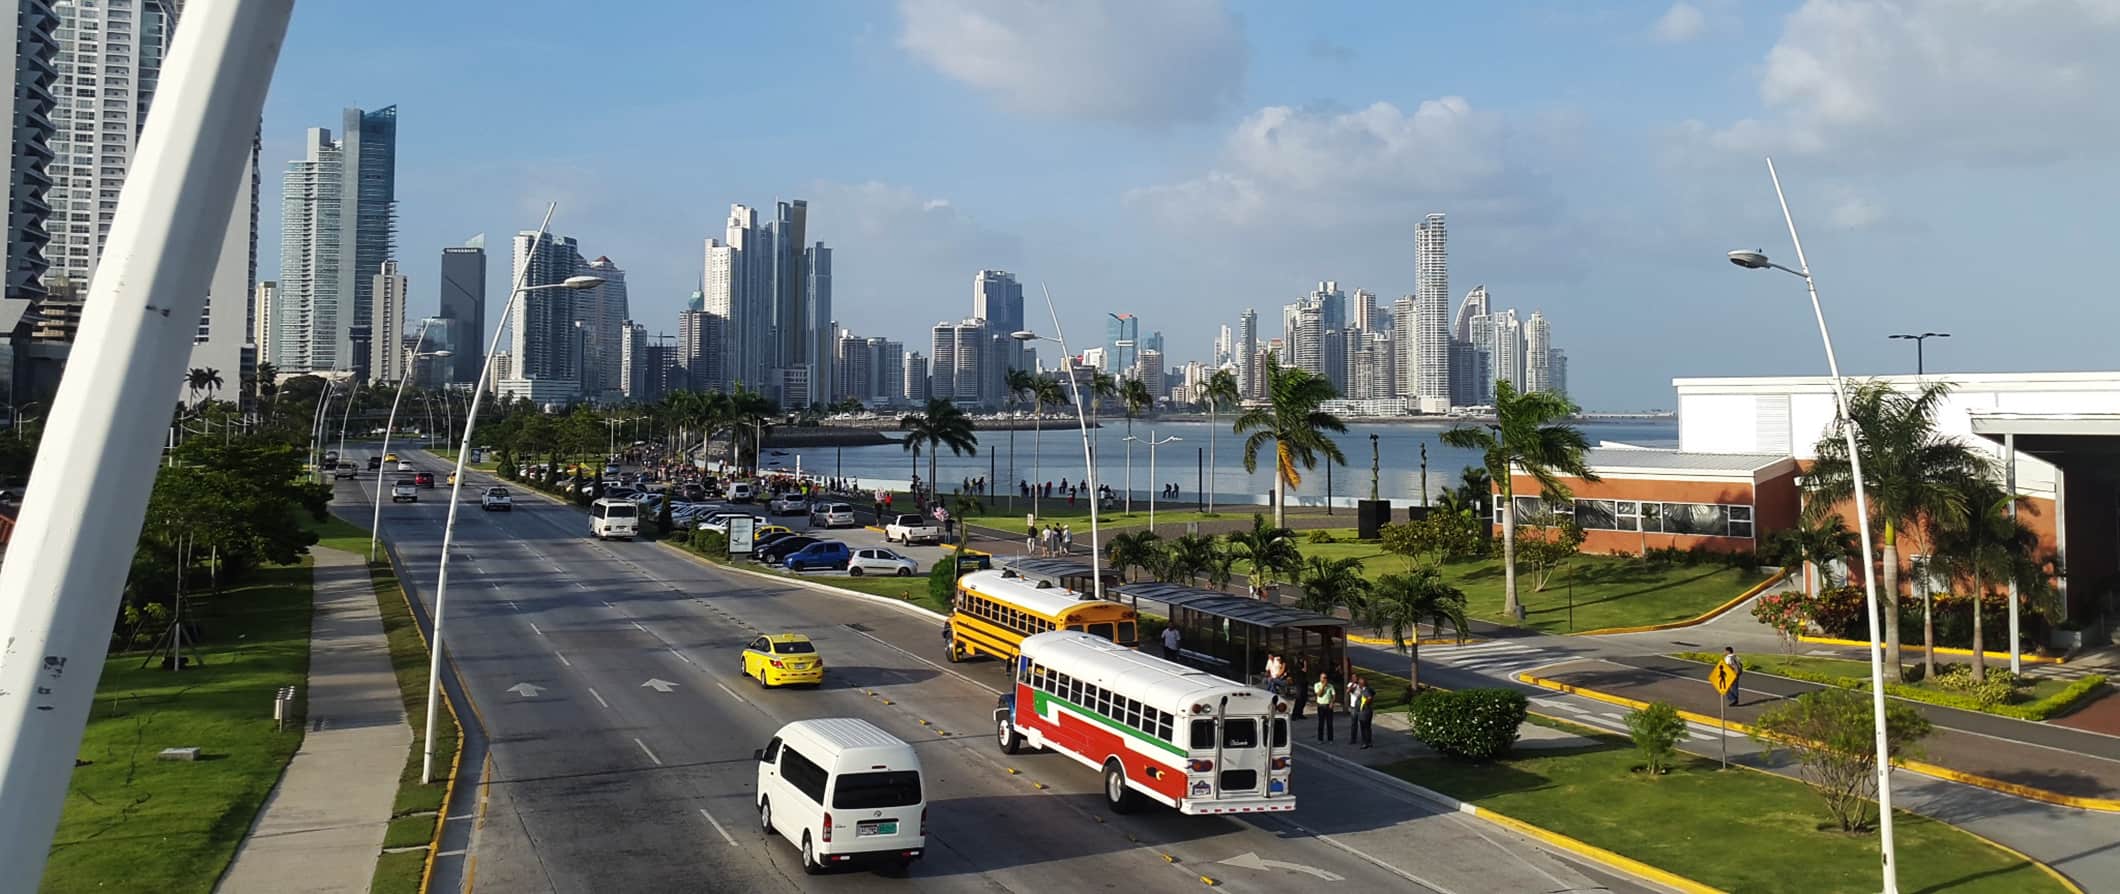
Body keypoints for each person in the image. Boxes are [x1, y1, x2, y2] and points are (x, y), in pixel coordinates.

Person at [1313, 673, 1337, 743]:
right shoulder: (1317, 685)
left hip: (1328, 705)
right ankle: (1320, 739)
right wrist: (1323, 686)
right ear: (1320, 678)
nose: (1324, 679)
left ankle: (1330, 739)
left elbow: (1334, 695)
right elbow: (1319, 695)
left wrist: (1332, 702)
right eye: (1323, 678)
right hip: (1321, 705)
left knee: (1330, 723)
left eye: (1325, 677)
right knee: (1321, 723)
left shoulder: (1330, 686)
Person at [1353, 678, 1376, 749]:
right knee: (1368, 727)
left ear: (1361, 684)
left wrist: (1365, 703)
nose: (1358, 684)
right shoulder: (1368, 689)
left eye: (1359, 683)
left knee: (1364, 728)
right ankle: (1369, 742)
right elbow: (1373, 693)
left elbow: (1369, 698)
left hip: (1364, 712)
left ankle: (1365, 743)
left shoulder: (1365, 691)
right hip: (1367, 711)